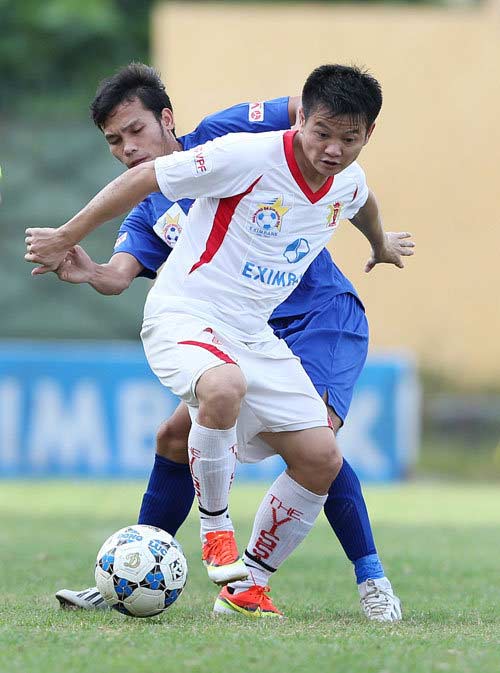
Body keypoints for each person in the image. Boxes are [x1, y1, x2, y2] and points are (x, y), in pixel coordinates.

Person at [26, 64, 412, 620]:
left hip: (318, 318)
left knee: (318, 449)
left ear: (167, 119)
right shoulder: (151, 207)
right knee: (178, 433)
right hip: (225, 324)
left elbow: (349, 178)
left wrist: (380, 241)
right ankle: (137, 570)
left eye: (135, 130)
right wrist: (87, 267)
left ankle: (365, 577)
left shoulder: (226, 138)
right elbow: (117, 273)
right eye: (114, 140)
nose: (127, 147)